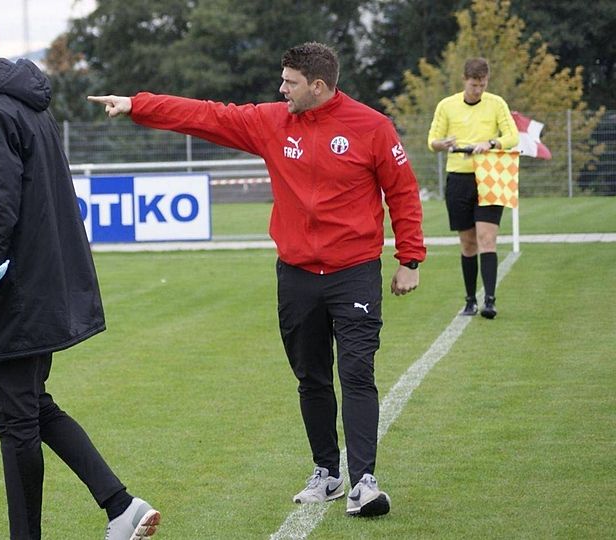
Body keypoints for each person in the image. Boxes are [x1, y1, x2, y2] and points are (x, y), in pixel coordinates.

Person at [89, 42, 425, 517]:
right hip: (297, 276)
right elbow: (208, 115)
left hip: (354, 274)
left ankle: (364, 482)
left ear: (319, 86)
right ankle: (327, 473)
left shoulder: (372, 127)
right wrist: (137, 105)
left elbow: (403, 192)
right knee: (310, 377)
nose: (280, 88)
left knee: (356, 372)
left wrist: (409, 259)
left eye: (289, 82)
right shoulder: (271, 122)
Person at [0, 4, 159, 539]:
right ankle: (120, 506)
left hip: (13, 293)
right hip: (36, 285)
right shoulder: (18, 102)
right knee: (30, 407)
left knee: (16, 422)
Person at [428, 57, 519, 319]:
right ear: (464, 81)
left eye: (482, 85)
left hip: (490, 174)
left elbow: (511, 137)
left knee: (487, 238)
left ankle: (489, 300)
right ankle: (470, 300)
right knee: (468, 243)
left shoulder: (496, 103)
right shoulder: (447, 106)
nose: (478, 90)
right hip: (458, 177)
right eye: (473, 85)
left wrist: (490, 143)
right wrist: (442, 144)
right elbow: (432, 141)